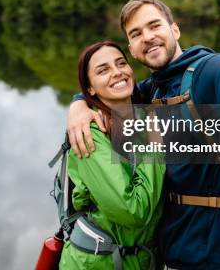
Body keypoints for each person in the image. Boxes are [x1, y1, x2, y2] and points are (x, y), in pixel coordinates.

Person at [67, 0, 220, 270]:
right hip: (172, 255)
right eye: (136, 33)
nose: (148, 37)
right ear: (131, 49)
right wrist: (79, 104)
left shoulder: (208, 72)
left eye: (154, 25)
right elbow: (109, 88)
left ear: (174, 30)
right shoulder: (150, 90)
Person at [59, 41, 166, 270]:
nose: (117, 72)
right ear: (90, 89)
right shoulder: (90, 134)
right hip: (97, 263)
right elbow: (133, 212)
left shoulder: (140, 116)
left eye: (120, 63)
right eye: (103, 70)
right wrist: (154, 143)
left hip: (142, 260)